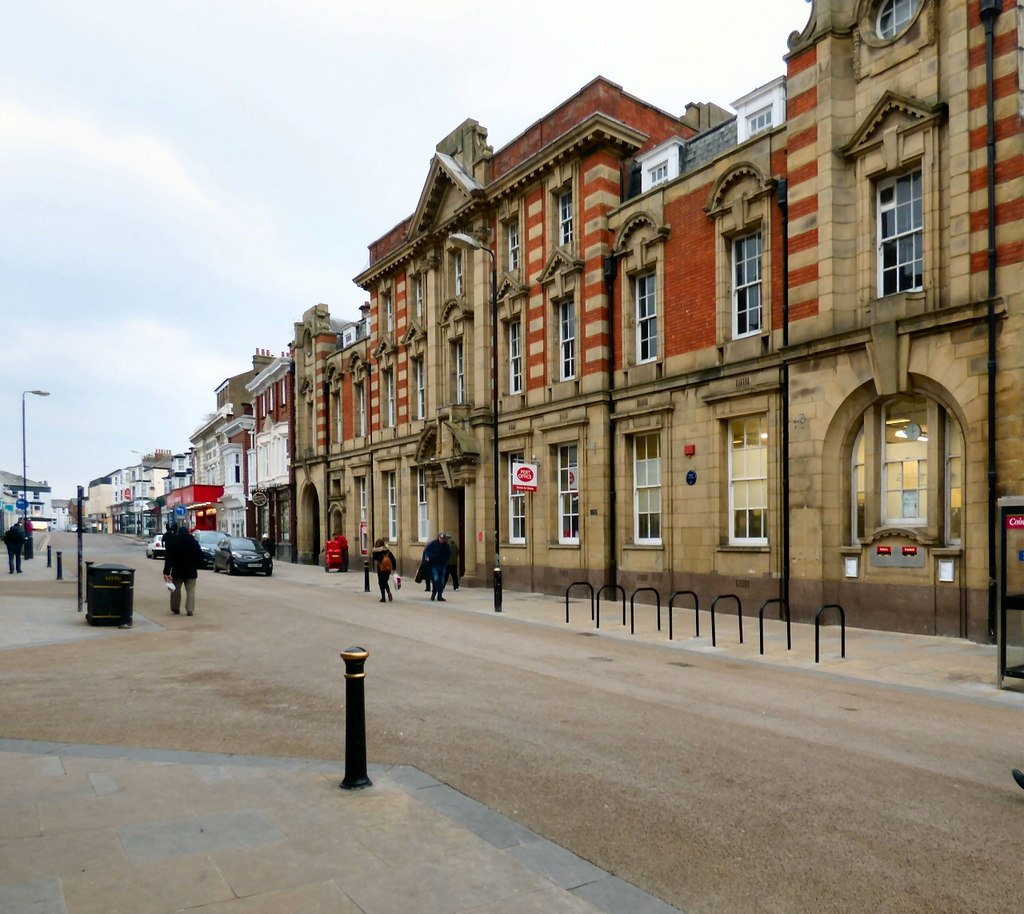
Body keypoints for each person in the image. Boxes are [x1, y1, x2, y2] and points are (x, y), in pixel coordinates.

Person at [162, 525, 204, 616]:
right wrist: (196, 565)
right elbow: (200, 556)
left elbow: (169, 558)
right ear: (188, 532)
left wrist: (166, 572)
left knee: (176, 590)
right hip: (191, 571)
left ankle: (175, 608)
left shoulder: (174, 542)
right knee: (190, 590)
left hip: (177, 570)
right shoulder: (194, 542)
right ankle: (190, 610)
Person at [423, 532, 452, 602]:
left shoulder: (446, 546)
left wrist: (445, 560)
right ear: (439, 538)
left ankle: (440, 595)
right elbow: (426, 551)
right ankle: (433, 594)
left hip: (442, 565)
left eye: (443, 539)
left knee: (441, 581)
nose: (442, 540)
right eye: (441, 539)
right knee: (435, 580)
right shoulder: (433, 544)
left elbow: (449, 553)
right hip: (434, 565)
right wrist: (427, 557)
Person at [371, 538, 397, 602]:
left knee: (381, 582)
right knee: (385, 582)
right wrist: (394, 568)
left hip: (381, 568)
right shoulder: (388, 551)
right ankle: (388, 593)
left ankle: (383, 598)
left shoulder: (376, 552)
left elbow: (374, 558)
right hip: (387, 569)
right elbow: (393, 559)